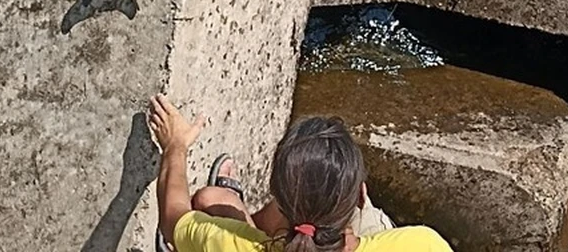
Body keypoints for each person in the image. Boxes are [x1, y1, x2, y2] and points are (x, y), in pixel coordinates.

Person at [147, 94, 454, 252]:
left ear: (276, 195)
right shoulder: (422, 244)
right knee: (215, 199)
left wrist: (176, 146)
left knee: (209, 199)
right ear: (360, 194)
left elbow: (173, 216)